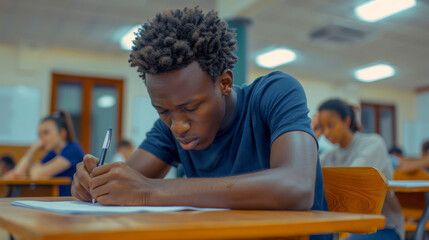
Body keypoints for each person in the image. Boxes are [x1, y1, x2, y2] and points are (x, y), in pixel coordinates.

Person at [72, 7, 330, 239]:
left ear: (224, 83)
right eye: (162, 111)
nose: (178, 126)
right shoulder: (171, 126)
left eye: (191, 108)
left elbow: (297, 188)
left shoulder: (274, 92)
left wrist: (151, 191)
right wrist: (96, 185)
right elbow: (127, 184)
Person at [311, 98, 404, 240]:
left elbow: (350, 183)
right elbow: (306, 174)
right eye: (322, 128)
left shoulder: (373, 143)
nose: (327, 132)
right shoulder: (330, 155)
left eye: (331, 125)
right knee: (310, 235)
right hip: (349, 227)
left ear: (346, 121)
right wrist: (311, 136)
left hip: (384, 227)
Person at [4, 110, 84, 196]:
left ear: (62, 133)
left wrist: (33, 149)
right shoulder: (52, 153)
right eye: (39, 135)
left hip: (71, 202)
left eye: (46, 133)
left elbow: (37, 174)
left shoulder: (73, 149)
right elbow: (18, 173)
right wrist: (32, 151)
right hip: (57, 201)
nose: (41, 139)